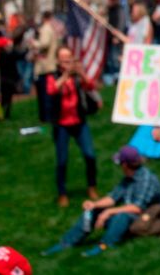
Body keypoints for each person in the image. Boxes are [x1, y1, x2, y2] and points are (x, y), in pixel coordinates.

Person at [42, 145, 160, 258]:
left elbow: (137, 208)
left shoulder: (146, 179)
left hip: (146, 218)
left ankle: (105, 245)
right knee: (94, 211)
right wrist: (95, 204)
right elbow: (113, 198)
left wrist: (109, 212)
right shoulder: (128, 178)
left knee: (122, 216)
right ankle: (67, 242)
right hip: (132, 212)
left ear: (125, 165)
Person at [47, 47, 99, 207]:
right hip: (62, 124)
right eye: (63, 60)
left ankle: (92, 186)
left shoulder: (77, 76)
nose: (67, 63)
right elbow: (52, 90)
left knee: (90, 155)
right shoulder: (53, 76)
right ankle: (62, 193)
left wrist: (81, 73)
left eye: (69, 59)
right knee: (62, 160)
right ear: (58, 61)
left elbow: (90, 86)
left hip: (79, 121)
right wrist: (65, 75)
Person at [31, 11, 61, 123]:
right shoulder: (50, 29)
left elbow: (44, 43)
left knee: (45, 95)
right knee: (46, 95)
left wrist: (34, 43)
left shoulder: (45, 29)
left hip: (45, 67)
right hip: (48, 66)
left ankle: (46, 118)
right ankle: (47, 117)